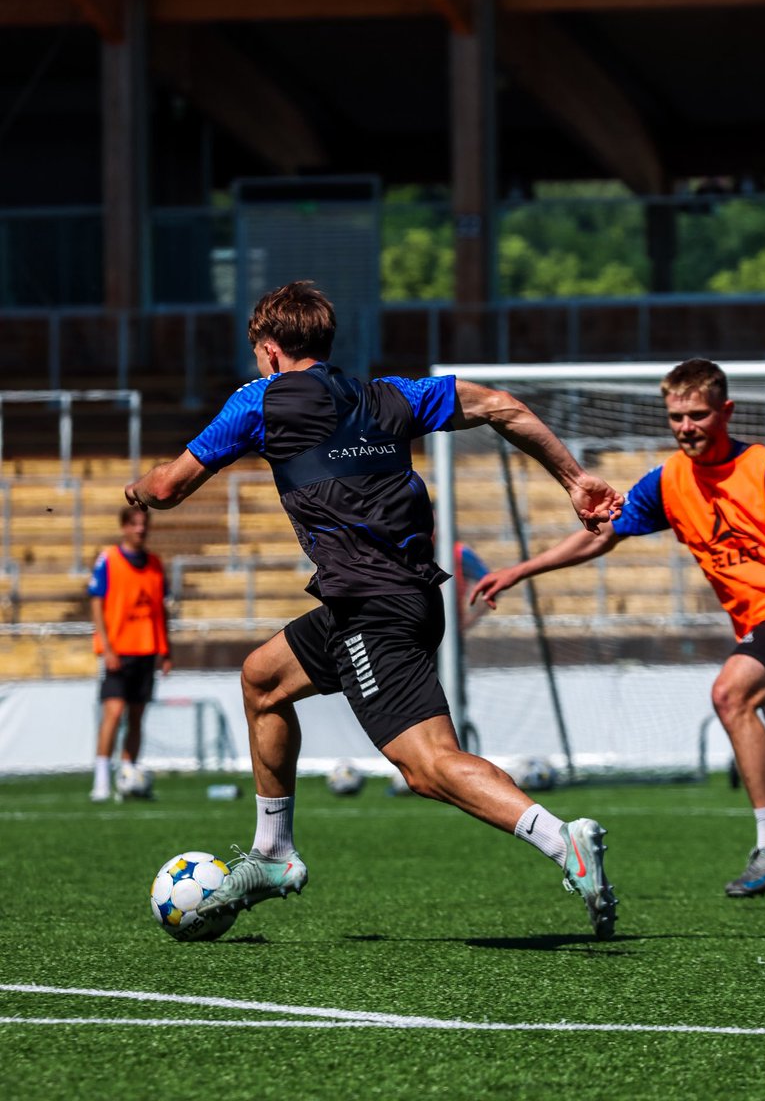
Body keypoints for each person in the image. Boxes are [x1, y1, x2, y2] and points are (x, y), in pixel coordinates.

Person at [123, 280, 624, 938]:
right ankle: (273, 852)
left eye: (258, 355)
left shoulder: (261, 400)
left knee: (426, 764)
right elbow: (501, 406)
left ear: (269, 351)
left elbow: (170, 486)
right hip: (397, 596)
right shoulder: (389, 396)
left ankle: (563, 840)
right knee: (264, 680)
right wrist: (572, 478)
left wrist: (137, 488)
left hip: (371, 608)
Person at [471, 357, 765, 899]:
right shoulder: (670, 480)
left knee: (730, 694)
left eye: (697, 415)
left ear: (727, 412)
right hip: (760, 627)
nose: (686, 427)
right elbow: (603, 534)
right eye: (676, 417)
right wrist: (521, 569)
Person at [87, 507, 172, 801]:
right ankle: (100, 781)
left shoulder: (156, 564)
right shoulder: (108, 559)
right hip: (118, 650)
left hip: (147, 649)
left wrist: (166, 649)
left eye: (143, 524)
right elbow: (96, 603)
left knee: (137, 715)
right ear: (124, 527)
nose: (140, 529)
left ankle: (127, 777)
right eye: (134, 524)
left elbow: (162, 609)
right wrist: (106, 647)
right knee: (114, 712)